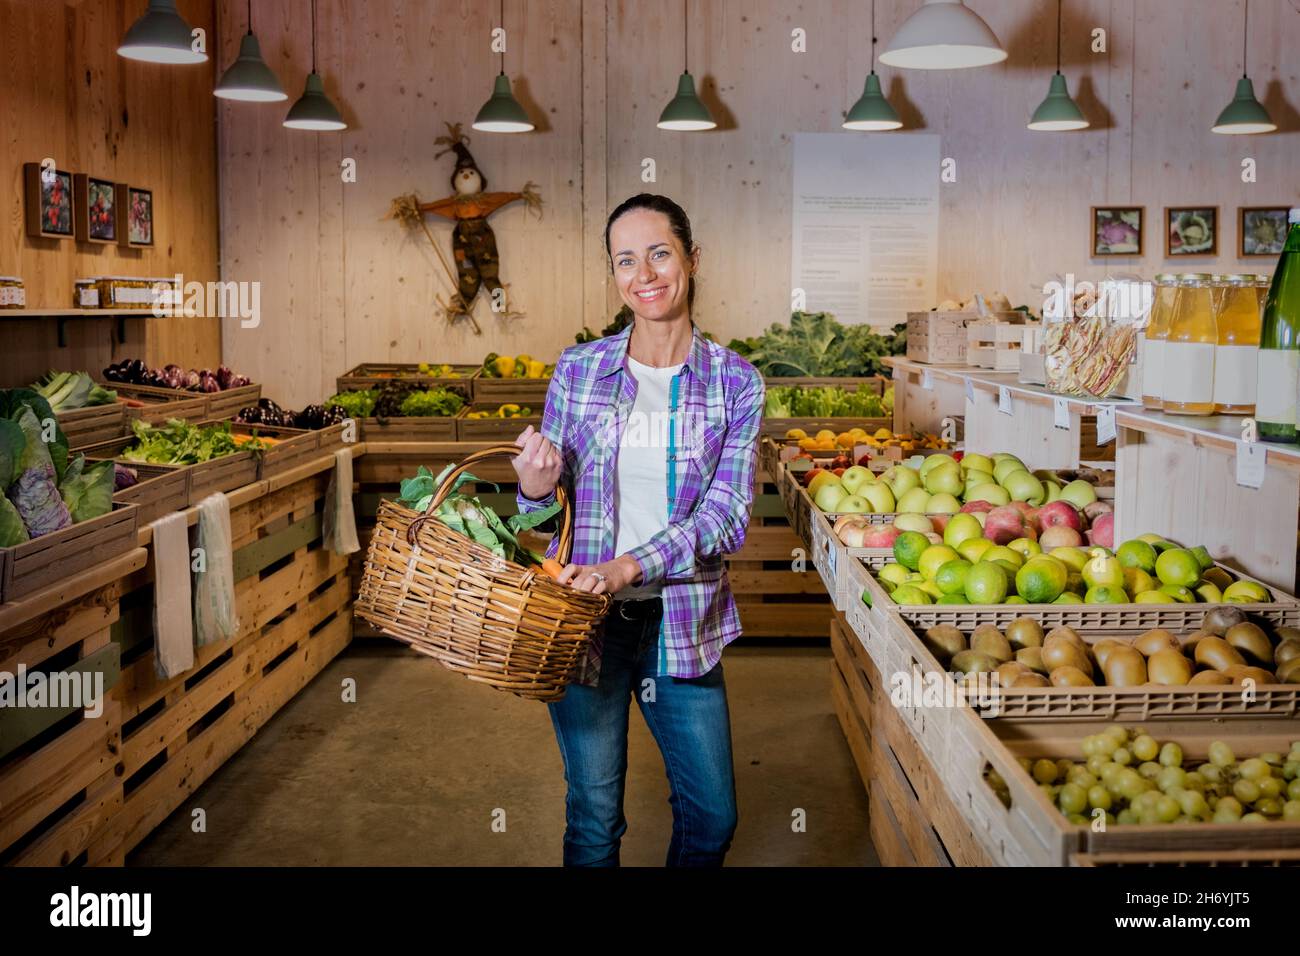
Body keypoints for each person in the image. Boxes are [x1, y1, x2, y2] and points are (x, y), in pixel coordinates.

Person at [512, 193, 764, 867]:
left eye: (659, 253)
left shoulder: (736, 383)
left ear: (691, 259)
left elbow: (727, 515)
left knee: (712, 817)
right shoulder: (580, 368)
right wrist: (534, 485)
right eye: (626, 260)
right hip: (584, 619)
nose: (644, 273)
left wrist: (629, 565)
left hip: (681, 618)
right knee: (594, 821)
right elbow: (543, 500)